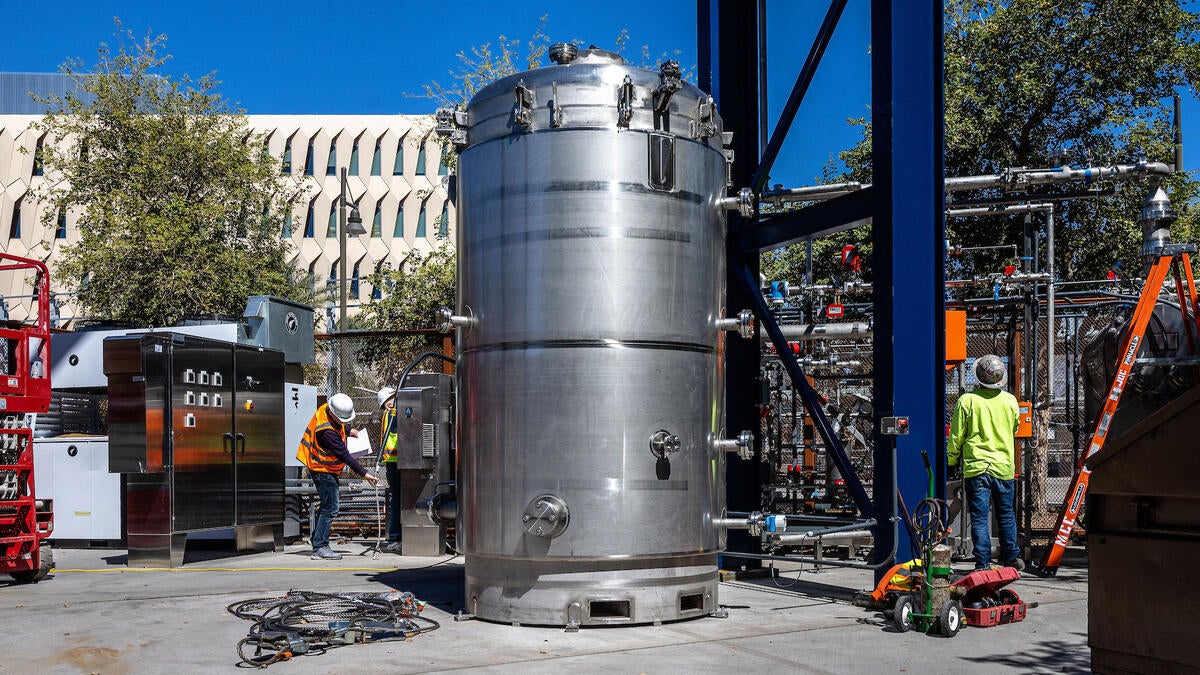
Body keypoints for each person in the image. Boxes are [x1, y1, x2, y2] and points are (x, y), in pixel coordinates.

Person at [947, 354, 1022, 571]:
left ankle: (983, 562)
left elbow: (957, 437)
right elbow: (1015, 429)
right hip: (1004, 467)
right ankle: (1010, 558)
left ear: (977, 376)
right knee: (1006, 514)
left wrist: (951, 460)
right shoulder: (1010, 401)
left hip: (977, 467)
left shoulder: (967, 401)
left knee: (979, 517)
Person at [296, 392, 379, 560]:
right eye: (343, 420)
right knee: (331, 507)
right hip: (322, 469)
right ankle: (320, 547)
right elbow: (345, 455)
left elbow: (338, 426)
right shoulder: (326, 432)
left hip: (324, 468)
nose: (343, 423)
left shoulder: (326, 409)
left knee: (327, 506)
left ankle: (317, 540)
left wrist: (349, 430)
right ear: (334, 413)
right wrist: (365, 474)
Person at [377, 386, 403, 553]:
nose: (392, 402)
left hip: (397, 463)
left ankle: (397, 536)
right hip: (395, 463)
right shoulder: (392, 415)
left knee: (399, 501)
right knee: (398, 501)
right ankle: (394, 538)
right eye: (389, 400)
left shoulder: (392, 414)